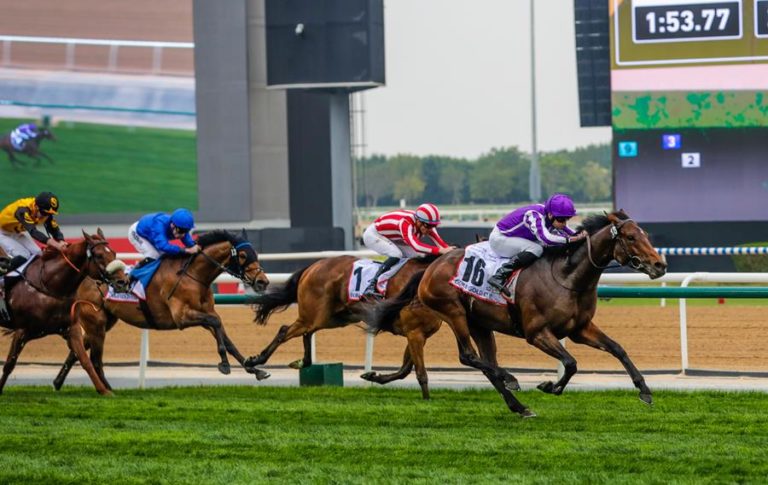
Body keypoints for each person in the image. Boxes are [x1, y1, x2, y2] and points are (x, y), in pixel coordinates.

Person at [487, 193, 588, 296]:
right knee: (537, 249)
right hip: (499, 239)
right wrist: (570, 240)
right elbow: (546, 238)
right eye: (561, 219)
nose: (564, 223)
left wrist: (581, 235)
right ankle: (499, 276)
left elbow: (568, 231)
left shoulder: (551, 215)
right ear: (550, 215)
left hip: (515, 238)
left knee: (550, 245)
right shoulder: (534, 215)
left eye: (567, 219)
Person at [361, 203, 455, 299]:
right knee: (396, 254)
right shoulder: (405, 223)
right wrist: (439, 251)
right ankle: (372, 285)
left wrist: (452, 252)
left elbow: (442, 245)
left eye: (433, 226)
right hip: (374, 235)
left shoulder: (427, 224)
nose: (430, 229)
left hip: (391, 236)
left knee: (415, 257)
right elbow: (416, 246)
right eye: (428, 226)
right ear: (418, 221)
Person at [0, 191, 67, 264]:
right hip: (2, 233)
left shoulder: (44, 212)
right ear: (36, 206)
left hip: (15, 232)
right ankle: (6, 273)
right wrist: (55, 244)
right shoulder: (23, 210)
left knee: (38, 253)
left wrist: (61, 241)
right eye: (44, 213)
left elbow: (54, 228)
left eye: (49, 214)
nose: (46, 216)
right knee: (23, 255)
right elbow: (33, 232)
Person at [128, 208, 201, 266]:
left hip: (151, 234)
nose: (183, 235)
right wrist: (186, 250)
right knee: (153, 255)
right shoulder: (159, 226)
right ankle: (132, 274)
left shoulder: (179, 226)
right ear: (172, 225)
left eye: (186, 231)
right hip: (137, 233)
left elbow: (188, 241)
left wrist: (194, 245)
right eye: (181, 231)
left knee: (165, 257)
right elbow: (163, 246)